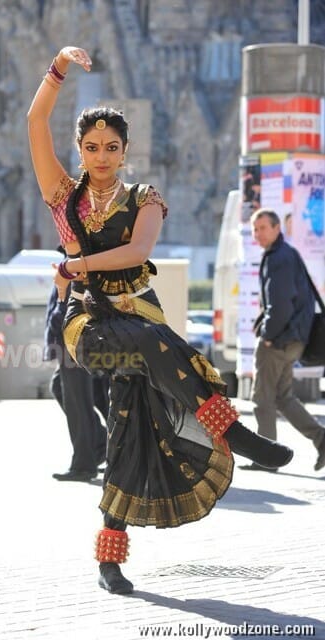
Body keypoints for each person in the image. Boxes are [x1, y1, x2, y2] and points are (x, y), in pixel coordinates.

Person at [27, 46, 293, 596]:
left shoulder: (146, 198)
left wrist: (78, 263)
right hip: (90, 326)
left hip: (143, 322)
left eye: (112, 147)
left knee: (130, 434)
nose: (101, 155)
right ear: (80, 150)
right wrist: (57, 68)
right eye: (92, 146)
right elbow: (35, 121)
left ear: (125, 153)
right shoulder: (63, 197)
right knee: (151, 344)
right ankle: (232, 430)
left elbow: (135, 254)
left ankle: (109, 559)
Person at [247, 208, 325, 473]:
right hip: (295, 339)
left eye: (262, 228)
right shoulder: (286, 254)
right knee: (284, 398)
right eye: (254, 229)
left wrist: (267, 335)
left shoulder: (278, 258)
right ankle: (322, 439)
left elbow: (280, 304)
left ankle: (267, 458)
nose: (257, 234)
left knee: (262, 399)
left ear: (277, 228)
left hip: (279, 340)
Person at [44, 281, 108, 482]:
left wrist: (57, 324)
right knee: (60, 388)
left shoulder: (76, 261)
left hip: (74, 340)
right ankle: (98, 444)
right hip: (78, 339)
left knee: (78, 403)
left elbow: (70, 301)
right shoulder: (73, 260)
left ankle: (83, 464)